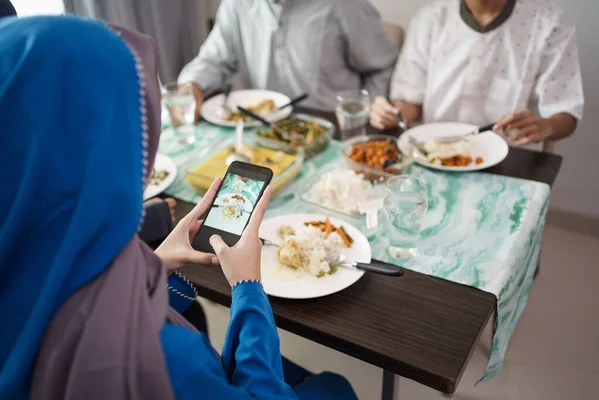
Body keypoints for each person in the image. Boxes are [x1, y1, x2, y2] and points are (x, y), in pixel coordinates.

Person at [0, 16, 357, 400]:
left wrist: (155, 263)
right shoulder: (161, 359)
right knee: (336, 386)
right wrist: (247, 288)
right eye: (133, 122)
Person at [370, 0, 584, 149]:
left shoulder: (549, 23)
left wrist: (545, 126)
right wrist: (394, 113)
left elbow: (566, 112)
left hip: (509, 156)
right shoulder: (431, 18)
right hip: (433, 150)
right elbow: (410, 102)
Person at [178, 0, 399, 116]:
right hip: (260, 127)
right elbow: (214, 59)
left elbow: (383, 65)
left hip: (330, 129)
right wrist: (192, 85)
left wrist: (364, 110)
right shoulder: (237, 3)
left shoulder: (343, 4)